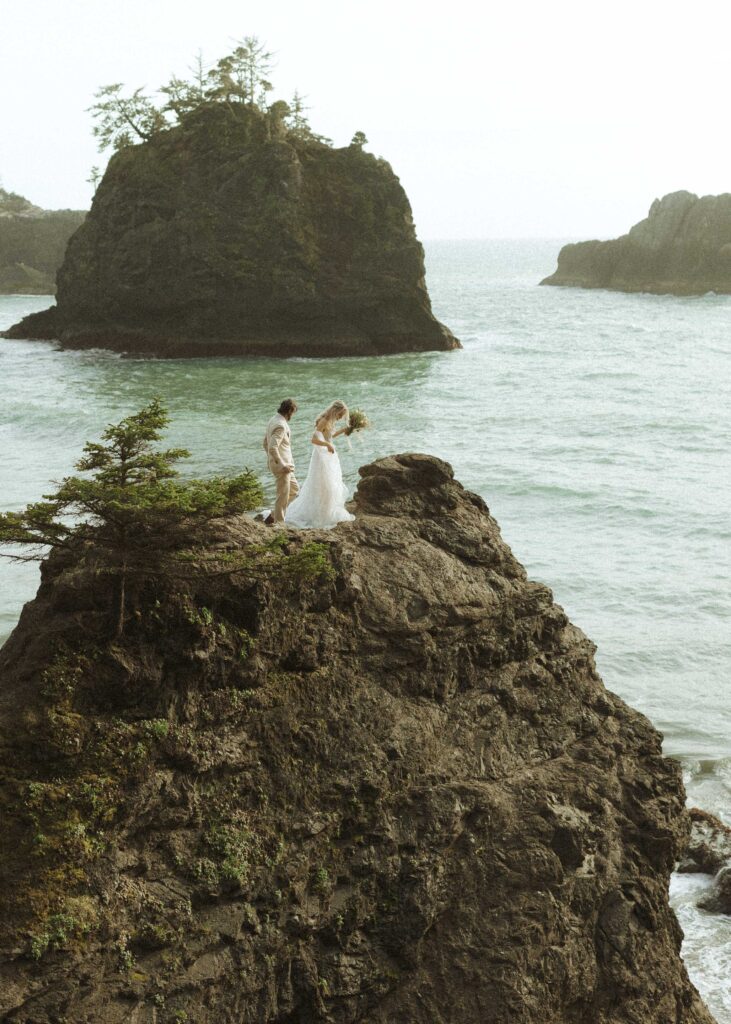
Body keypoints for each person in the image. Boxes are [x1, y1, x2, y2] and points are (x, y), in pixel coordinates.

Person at [284, 400, 355, 529]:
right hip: (322, 457)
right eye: (340, 415)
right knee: (323, 483)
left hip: (329, 456)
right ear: (335, 411)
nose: (340, 418)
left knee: (330, 484)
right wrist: (327, 445)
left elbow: (329, 436)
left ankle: (326, 511)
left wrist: (344, 430)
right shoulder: (324, 420)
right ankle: (321, 514)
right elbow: (314, 439)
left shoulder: (330, 421)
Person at [262, 399, 299, 525]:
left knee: (294, 490)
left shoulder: (273, 419)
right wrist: (281, 464)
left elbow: (265, 443)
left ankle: (272, 515)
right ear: (289, 411)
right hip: (283, 467)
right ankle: (279, 524)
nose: (292, 416)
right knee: (282, 497)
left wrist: (271, 459)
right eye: (293, 413)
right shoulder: (281, 425)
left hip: (283, 465)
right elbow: (272, 447)